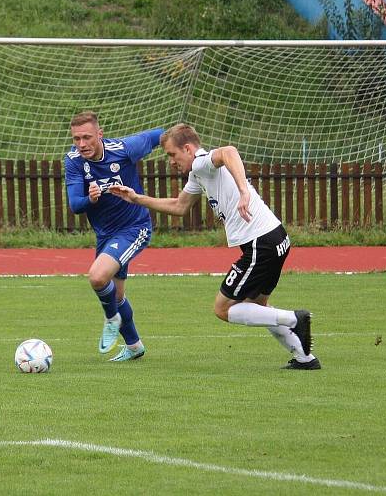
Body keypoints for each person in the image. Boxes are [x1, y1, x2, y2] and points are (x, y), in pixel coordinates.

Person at [109, 123, 320, 370]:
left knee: (222, 308)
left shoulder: (201, 162)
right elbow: (179, 206)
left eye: (172, 155)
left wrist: (244, 192)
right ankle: (305, 358)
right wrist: (135, 198)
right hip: (275, 239)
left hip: (260, 244)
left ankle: (294, 319)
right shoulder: (198, 174)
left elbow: (229, 151)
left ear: (187, 148)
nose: (171, 162)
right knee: (258, 307)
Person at [64, 111, 163, 362]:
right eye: (76, 138)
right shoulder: (74, 161)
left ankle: (111, 320)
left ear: (100, 134)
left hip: (135, 227)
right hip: (106, 234)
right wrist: (91, 198)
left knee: (97, 277)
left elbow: (159, 135)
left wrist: (191, 151)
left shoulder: (124, 149)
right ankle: (134, 346)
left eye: (87, 137)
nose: (82, 144)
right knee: (115, 296)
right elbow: (75, 204)